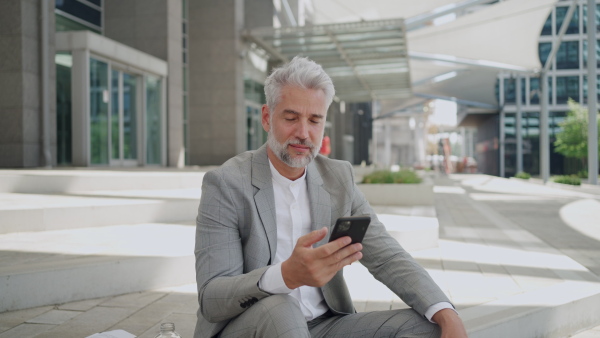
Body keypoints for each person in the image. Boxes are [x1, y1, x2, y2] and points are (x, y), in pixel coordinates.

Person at [193, 56, 467, 338]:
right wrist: (286, 275)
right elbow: (212, 298)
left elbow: (387, 256)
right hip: (252, 327)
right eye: (291, 118)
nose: (303, 133)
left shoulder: (338, 178)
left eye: (314, 120)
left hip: (324, 326)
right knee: (282, 310)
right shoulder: (226, 184)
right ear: (267, 117)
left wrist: (446, 312)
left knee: (428, 327)